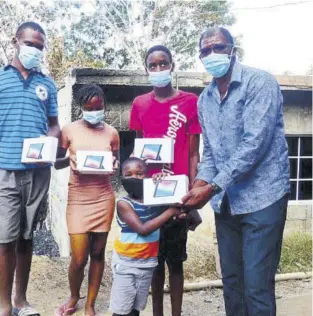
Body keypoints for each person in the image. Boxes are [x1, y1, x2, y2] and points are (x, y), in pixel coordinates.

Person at [182, 27, 290, 316]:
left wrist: (211, 187)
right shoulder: (204, 99)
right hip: (227, 202)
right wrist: (199, 184)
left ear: (232, 50)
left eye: (217, 47)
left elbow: (255, 144)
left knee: (256, 285)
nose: (211, 55)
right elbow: (211, 153)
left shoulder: (260, 83)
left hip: (263, 197)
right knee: (231, 282)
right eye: (205, 51)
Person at [0, 22, 60, 316]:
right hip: (3, 170)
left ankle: (21, 301)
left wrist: (50, 143)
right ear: (16, 41)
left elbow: (54, 125)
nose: (34, 50)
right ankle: (4, 304)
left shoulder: (46, 85)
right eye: (30, 43)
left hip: (37, 173)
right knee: (6, 239)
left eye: (39, 46)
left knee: (26, 237)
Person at [129, 45, 202, 316]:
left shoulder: (190, 102)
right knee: (154, 262)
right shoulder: (139, 104)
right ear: (146, 69)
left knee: (176, 262)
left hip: (178, 193)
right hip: (152, 194)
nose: (159, 69)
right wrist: (138, 192)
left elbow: (194, 153)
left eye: (163, 64)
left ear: (172, 65)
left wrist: (193, 196)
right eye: (153, 65)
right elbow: (138, 155)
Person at [54, 84, 119, 316]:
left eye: (98, 106)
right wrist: (72, 161)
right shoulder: (69, 130)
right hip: (79, 197)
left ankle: (90, 304)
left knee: (98, 254)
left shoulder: (112, 132)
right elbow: (56, 162)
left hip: (103, 197)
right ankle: (74, 295)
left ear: (103, 105)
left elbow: (116, 162)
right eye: (89, 107)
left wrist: (114, 165)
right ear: (81, 107)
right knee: (79, 258)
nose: (94, 111)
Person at [110, 157, 184, 316]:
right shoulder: (124, 203)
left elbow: (173, 198)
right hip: (126, 265)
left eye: (139, 173)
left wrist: (160, 182)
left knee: (135, 309)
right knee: (122, 310)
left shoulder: (154, 199)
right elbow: (143, 229)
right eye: (128, 174)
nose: (134, 177)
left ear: (147, 176)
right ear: (122, 178)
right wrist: (170, 212)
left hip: (147, 264)